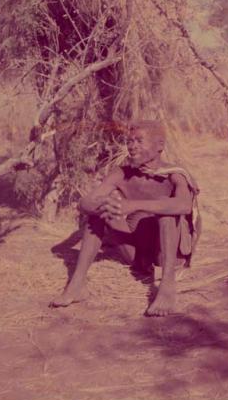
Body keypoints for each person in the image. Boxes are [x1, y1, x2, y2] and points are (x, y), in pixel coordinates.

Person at [49, 120, 200, 316]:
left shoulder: (174, 175)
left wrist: (134, 205)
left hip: (167, 255)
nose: (132, 146)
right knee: (99, 212)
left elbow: (183, 205)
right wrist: (104, 205)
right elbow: (84, 203)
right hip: (135, 253)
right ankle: (77, 284)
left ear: (159, 146)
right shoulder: (122, 173)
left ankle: (167, 287)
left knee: (167, 211)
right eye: (129, 141)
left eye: (139, 140)